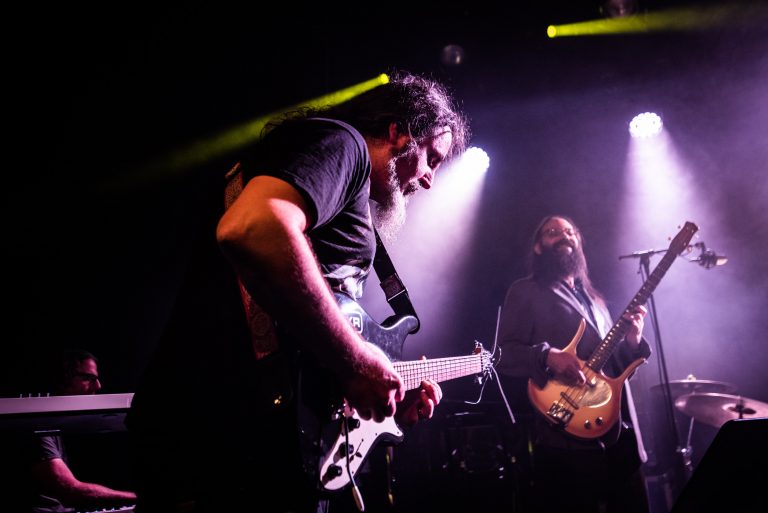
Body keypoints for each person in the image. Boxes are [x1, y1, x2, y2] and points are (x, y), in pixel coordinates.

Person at [127, 71, 469, 513]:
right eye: (432, 159)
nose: (428, 181)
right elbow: (252, 226)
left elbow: (299, 345)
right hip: (221, 436)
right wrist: (355, 358)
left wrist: (370, 401)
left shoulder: (343, 181)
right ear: (398, 132)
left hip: (248, 439)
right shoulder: (341, 143)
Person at [497, 215, 652, 513]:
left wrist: (632, 342)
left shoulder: (596, 300)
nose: (564, 236)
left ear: (579, 242)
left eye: (570, 232)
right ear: (539, 247)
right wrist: (547, 355)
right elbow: (504, 354)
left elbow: (613, 375)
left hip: (621, 440)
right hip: (567, 444)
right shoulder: (525, 291)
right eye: (553, 232)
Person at [11, 349, 137, 513]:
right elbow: (71, 491)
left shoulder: (54, 424)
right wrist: (136, 497)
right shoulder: (33, 426)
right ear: (63, 380)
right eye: (88, 378)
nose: (98, 386)